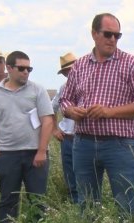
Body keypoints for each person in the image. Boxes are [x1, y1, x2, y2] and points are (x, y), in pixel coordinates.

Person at [59, 13, 134, 219]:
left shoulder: (131, 64)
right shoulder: (80, 65)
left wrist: (108, 112)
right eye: (108, 34)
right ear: (94, 34)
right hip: (83, 143)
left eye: (117, 35)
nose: (112, 39)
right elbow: (65, 100)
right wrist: (71, 111)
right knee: (86, 202)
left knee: (125, 201)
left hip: (119, 145)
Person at [0, 51, 54, 223]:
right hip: (7, 155)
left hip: (36, 155)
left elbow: (47, 120)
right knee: (8, 199)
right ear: (10, 68)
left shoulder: (37, 90)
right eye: (21, 68)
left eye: (29, 68)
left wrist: (42, 151)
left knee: (37, 200)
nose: (26, 72)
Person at [52, 52, 78, 203]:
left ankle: (88, 203)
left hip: (84, 137)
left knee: (87, 172)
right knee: (70, 172)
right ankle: (75, 202)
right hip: (67, 138)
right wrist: (54, 130)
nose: (70, 73)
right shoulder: (63, 88)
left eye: (72, 69)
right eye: (67, 72)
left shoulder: (90, 85)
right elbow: (51, 109)